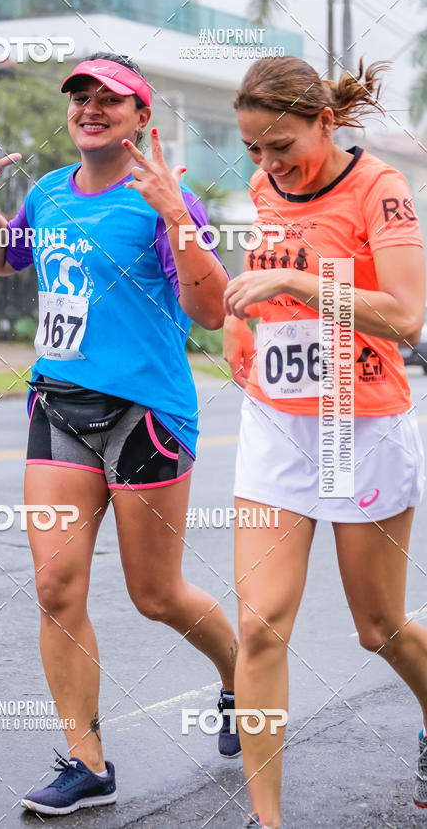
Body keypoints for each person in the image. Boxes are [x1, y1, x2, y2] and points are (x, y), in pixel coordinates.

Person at [0, 52, 240, 816]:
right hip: (58, 406)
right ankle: (86, 762)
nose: (91, 108)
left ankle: (237, 677)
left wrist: (179, 218)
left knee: (155, 595)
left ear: (141, 118)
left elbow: (213, 312)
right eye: (81, 96)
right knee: (56, 588)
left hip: (144, 415)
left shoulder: (163, 196)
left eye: (110, 100)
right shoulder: (49, 193)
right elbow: (3, 259)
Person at [223, 56, 427, 829]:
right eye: (254, 150)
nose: (270, 166)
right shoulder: (262, 188)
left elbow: (405, 314)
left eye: (281, 146)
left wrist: (304, 287)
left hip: (363, 424)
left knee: (378, 629)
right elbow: (267, 274)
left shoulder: (382, 190)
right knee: (259, 623)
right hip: (277, 426)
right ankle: (266, 820)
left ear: (324, 124)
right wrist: (249, 325)